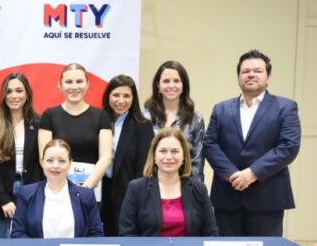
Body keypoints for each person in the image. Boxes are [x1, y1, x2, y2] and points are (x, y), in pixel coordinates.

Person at [204, 49, 301, 236]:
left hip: (267, 198)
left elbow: (289, 146)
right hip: (227, 196)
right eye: (245, 71)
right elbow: (210, 145)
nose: (251, 75)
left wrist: (252, 173)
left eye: (258, 71)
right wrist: (232, 174)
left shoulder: (285, 107)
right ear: (238, 78)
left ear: (268, 77)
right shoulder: (221, 109)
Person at [119, 128, 217, 237]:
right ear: (154, 156)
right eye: (163, 151)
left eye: (175, 151)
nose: (169, 157)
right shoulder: (136, 189)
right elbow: (127, 234)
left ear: (183, 156)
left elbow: (211, 233)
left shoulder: (199, 189)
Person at [0, 72, 42, 238]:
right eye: (9, 91)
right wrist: (3, 199)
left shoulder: (39, 122)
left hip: (31, 190)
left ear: (27, 94)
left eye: (19, 91)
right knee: (0, 245)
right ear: (3, 95)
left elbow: (41, 162)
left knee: (28, 243)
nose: (14, 96)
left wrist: (36, 194)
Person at [38, 63, 112, 199]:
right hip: (58, 191)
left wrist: (85, 188)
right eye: (68, 82)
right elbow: (44, 158)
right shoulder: (49, 115)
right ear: (60, 85)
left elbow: (106, 157)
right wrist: (63, 188)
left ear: (87, 85)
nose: (74, 87)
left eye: (79, 81)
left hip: (90, 191)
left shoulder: (101, 116)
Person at [100, 75, 154, 236]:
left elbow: (144, 166)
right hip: (100, 189)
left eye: (126, 96)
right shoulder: (99, 120)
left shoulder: (142, 125)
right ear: (108, 96)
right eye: (116, 95)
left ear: (133, 99)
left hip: (127, 192)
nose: (121, 100)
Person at [143, 60, 206, 180]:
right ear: (158, 86)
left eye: (176, 81)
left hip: (183, 185)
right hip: (149, 184)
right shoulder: (144, 117)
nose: (171, 86)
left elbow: (197, 162)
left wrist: (195, 189)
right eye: (166, 81)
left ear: (184, 86)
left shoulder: (195, 118)